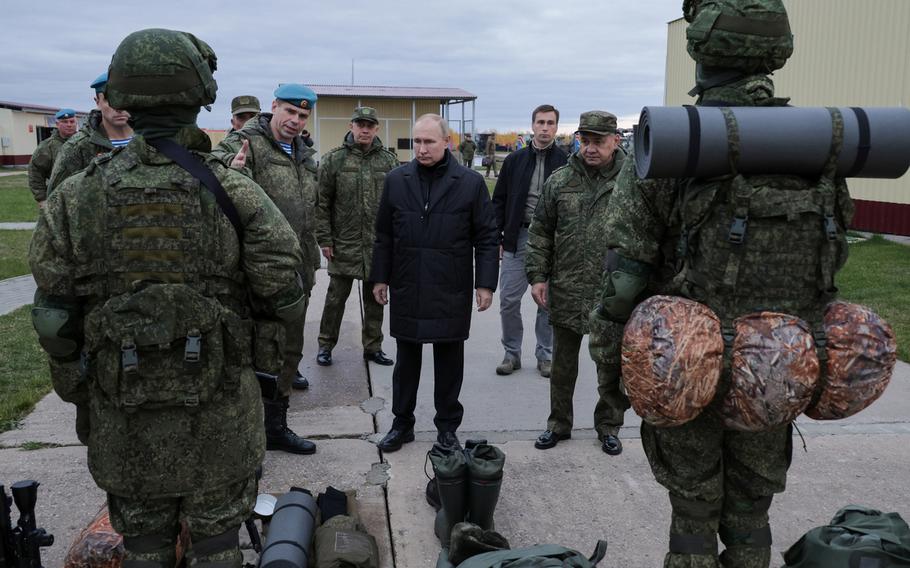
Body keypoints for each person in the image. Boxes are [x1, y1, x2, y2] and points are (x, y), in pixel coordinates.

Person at [29, 28, 306, 568]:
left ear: (124, 97)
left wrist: (82, 393)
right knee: (217, 546)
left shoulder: (76, 196)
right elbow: (283, 292)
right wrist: (265, 368)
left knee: (144, 546)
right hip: (219, 411)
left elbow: (53, 317)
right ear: (199, 95)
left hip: (123, 411)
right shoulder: (234, 190)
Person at [598, 1, 853, 565]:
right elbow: (831, 256)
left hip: (686, 366)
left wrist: (610, 366)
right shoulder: (819, 145)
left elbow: (623, 279)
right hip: (779, 366)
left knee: (693, 508)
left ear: (701, 51)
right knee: (751, 508)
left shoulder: (676, 142)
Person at [371, 113, 499, 452]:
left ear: (447, 142)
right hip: (408, 284)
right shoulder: (397, 180)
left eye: (429, 141)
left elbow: (487, 237)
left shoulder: (469, 183)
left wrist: (485, 284)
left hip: (450, 286)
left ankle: (446, 428)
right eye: (417, 141)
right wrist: (380, 277)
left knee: (448, 362)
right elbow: (384, 235)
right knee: (406, 361)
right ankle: (402, 424)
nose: (422, 149)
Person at [212, 83, 321, 454]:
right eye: (289, 111)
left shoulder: (305, 154)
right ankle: (247, 440)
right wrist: (230, 170)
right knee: (252, 356)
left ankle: (276, 427)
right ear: (273, 106)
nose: (295, 120)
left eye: (303, 115)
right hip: (254, 274)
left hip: (297, 270)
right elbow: (212, 175)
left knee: (288, 352)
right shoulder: (247, 143)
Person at [525, 111, 630, 455]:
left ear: (616, 140)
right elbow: (540, 232)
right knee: (562, 365)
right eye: (586, 140)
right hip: (567, 286)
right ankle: (558, 424)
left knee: (611, 365)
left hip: (613, 291)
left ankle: (609, 425)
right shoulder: (560, 181)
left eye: (599, 141)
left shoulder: (632, 181)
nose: (591, 148)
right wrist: (538, 277)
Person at [314, 106, 399, 367]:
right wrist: (325, 239)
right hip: (344, 243)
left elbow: (398, 204)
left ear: (376, 128)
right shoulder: (333, 160)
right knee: (335, 298)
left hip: (377, 245)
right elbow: (321, 202)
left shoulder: (388, 162)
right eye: (360, 124)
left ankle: (373, 347)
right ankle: (325, 345)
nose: (364, 129)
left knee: (376, 298)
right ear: (351, 126)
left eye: (370, 125)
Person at [490, 104, 567, 378]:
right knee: (509, 300)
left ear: (557, 127)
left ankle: (545, 354)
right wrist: (499, 235)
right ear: (532, 125)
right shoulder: (514, 161)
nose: (545, 128)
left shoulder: (568, 161)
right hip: (518, 237)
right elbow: (498, 201)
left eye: (550, 123)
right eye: (540, 122)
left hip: (553, 241)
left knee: (547, 301)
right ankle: (511, 353)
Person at [47, 72, 134, 194]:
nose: (118, 107)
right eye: (110, 99)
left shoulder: (153, 141)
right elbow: (57, 199)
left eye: (125, 98)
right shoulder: (78, 147)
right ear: (97, 101)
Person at [28, 108, 78, 205]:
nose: (69, 124)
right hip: (58, 199)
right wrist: (41, 198)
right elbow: (35, 172)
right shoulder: (47, 147)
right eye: (64, 122)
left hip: (84, 197)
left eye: (72, 121)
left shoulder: (86, 142)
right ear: (57, 124)